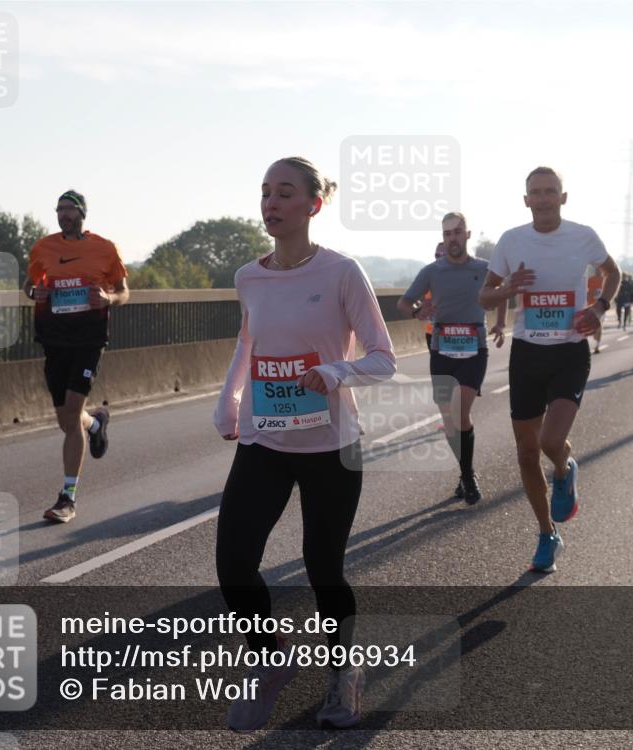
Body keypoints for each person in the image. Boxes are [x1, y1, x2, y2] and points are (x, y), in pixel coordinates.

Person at [213, 157, 396, 732]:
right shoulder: (250, 276)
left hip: (331, 446)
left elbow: (383, 359)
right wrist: (230, 396)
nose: (271, 203)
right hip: (265, 440)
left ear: (313, 205)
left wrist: (336, 372)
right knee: (234, 563)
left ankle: (344, 677)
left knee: (324, 569)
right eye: (265, 192)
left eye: (284, 193)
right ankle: (270, 664)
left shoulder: (342, 273)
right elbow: (249, 342)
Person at [479, 166, 620, 573]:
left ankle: (563, 468)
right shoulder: (511, 240)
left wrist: (598, 307)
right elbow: (484, 295)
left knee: (550, 440)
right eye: (535, 193)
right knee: (525, 452)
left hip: (569, 352)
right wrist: (507, 289)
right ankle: (547, 533)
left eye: (550, 191)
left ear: (563, 197)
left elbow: (612, 273)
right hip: (527, 354)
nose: (542, 199)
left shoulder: (583, 236)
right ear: (526, 200)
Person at [24, 190, 129, 524]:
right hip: (53, 340)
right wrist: (33, 292)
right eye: (59, 210)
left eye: (69, 210)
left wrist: (108, 298)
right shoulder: (43, 248)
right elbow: (28, 285)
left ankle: (67, 498)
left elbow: (124, 291)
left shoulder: (105, 249)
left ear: (82, 213)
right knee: (68, 420)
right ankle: (95, 422)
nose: (63, 215)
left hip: (88, 339)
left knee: (70, 413)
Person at [398, 213, 506, 504]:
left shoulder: (485, 268)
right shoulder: (432, 271)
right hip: (441, 350)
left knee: (459, 412)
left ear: (467, 234)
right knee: (448, 420)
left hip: (474, 350)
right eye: (447, 234)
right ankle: (464, 472)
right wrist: (418, 311)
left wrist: (500, 322)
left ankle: (468, 477)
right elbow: (404, 302)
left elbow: (502, 292)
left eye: (457, 232)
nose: (452, 238)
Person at [421, 243, 446, 350]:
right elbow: (425, 303)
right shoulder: (429, 276)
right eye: (437, 255)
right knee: (439, 367)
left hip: (451, 334)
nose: (439, 257)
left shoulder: (460, 277)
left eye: (443, 254)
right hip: (432, 333)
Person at [586, 267, 605, 353]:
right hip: (590, 306)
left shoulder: (606, 280)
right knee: (593, 327)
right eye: (597, 269)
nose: (599, 270)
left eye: (601, 269)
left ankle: (597, 346)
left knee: (599, 324)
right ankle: (595, 336)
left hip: (600, 307)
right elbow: (586, 292)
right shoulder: (590, 280)